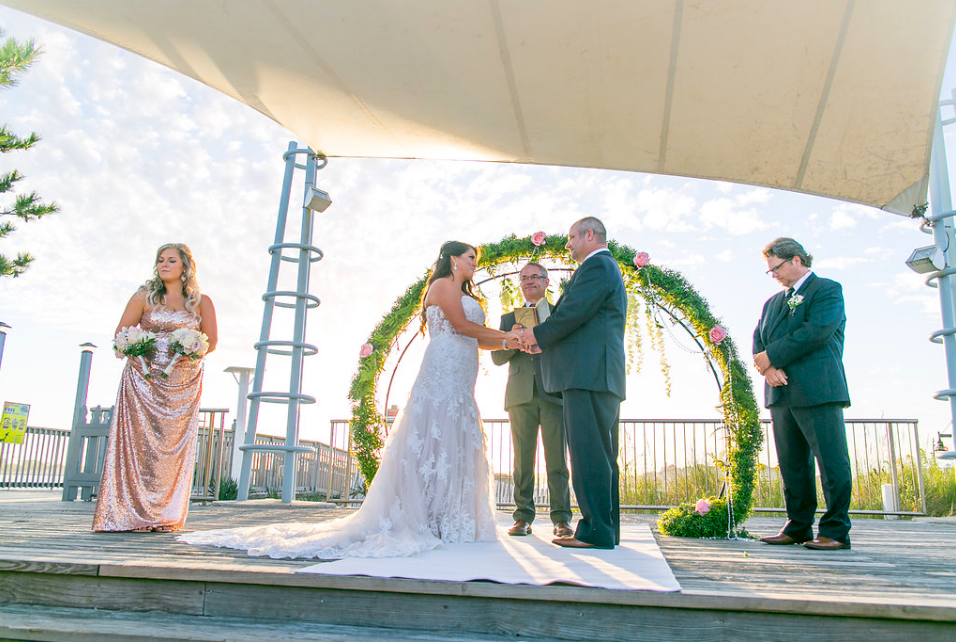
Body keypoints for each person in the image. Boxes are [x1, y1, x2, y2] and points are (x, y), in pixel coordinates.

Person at [180, 241, 521, 559]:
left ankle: (449, 517)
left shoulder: (465, 292)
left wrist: (510, 341)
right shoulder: (443, 286)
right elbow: (460, 326)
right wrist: (508, 336)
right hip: (443, 367)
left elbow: (479, 338)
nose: (474, 264)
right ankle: (425, 517)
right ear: (454, 259)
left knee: (454, 437)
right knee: (434, 434)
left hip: (463, 371)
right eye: (471, 258)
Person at [514, 218, 626, 549]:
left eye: (571, 237)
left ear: (590, 235)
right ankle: (606, 530)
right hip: (597, 374)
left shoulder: (597, 266)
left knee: (588, 454)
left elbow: (573, 313)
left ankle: (595, 532)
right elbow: (581, 321)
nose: (567, 244)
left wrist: (536, 335)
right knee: (601, 456)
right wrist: (542, 344)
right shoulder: (604, 268)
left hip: (587, 374)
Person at [93, 243, 218, 533]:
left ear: (185, 266)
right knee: (140, 446)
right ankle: (133, 514)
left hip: (182, 383)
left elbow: (211, 341)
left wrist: (192, 351)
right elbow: (121, 334)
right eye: (161, 260)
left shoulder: (202, 302)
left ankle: (165, 516)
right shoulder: (143, 296)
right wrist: (132, 352)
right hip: (143, 379)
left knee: (172, 450)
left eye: (171, 260)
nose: (164, 264)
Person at [753, 237, 852, 551]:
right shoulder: (772, 303)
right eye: (770, 271)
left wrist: (772, 357)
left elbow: (816, 332)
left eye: (777, 268)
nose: (774, 275)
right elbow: (759, 340)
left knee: (831, 461)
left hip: (818, 389)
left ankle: (836, 530)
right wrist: (768, 368)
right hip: (780, 392)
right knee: (792, 464)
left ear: (797, 259)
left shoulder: (827, 290)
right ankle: (797, 526)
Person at [491, 263, 572, 538]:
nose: (529, 281)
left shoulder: (560, 315)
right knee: (522, 461)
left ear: (547, 282)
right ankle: (522, 517)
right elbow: (497, 358)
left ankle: (562, 519)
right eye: (524, 277)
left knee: (557, 460)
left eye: (535, 276)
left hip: (553, 393)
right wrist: (513, 339)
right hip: (520, 395)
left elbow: (569, 352)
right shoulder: (508, 319)